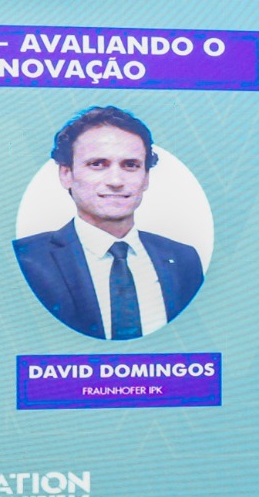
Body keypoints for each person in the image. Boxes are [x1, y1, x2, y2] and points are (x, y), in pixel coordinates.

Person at [15, 106, 204, 339]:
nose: (116, 181)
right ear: (66, 174)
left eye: (130, 165)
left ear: (146, 178)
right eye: (98, 164)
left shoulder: (184, 259)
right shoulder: (25, 259)